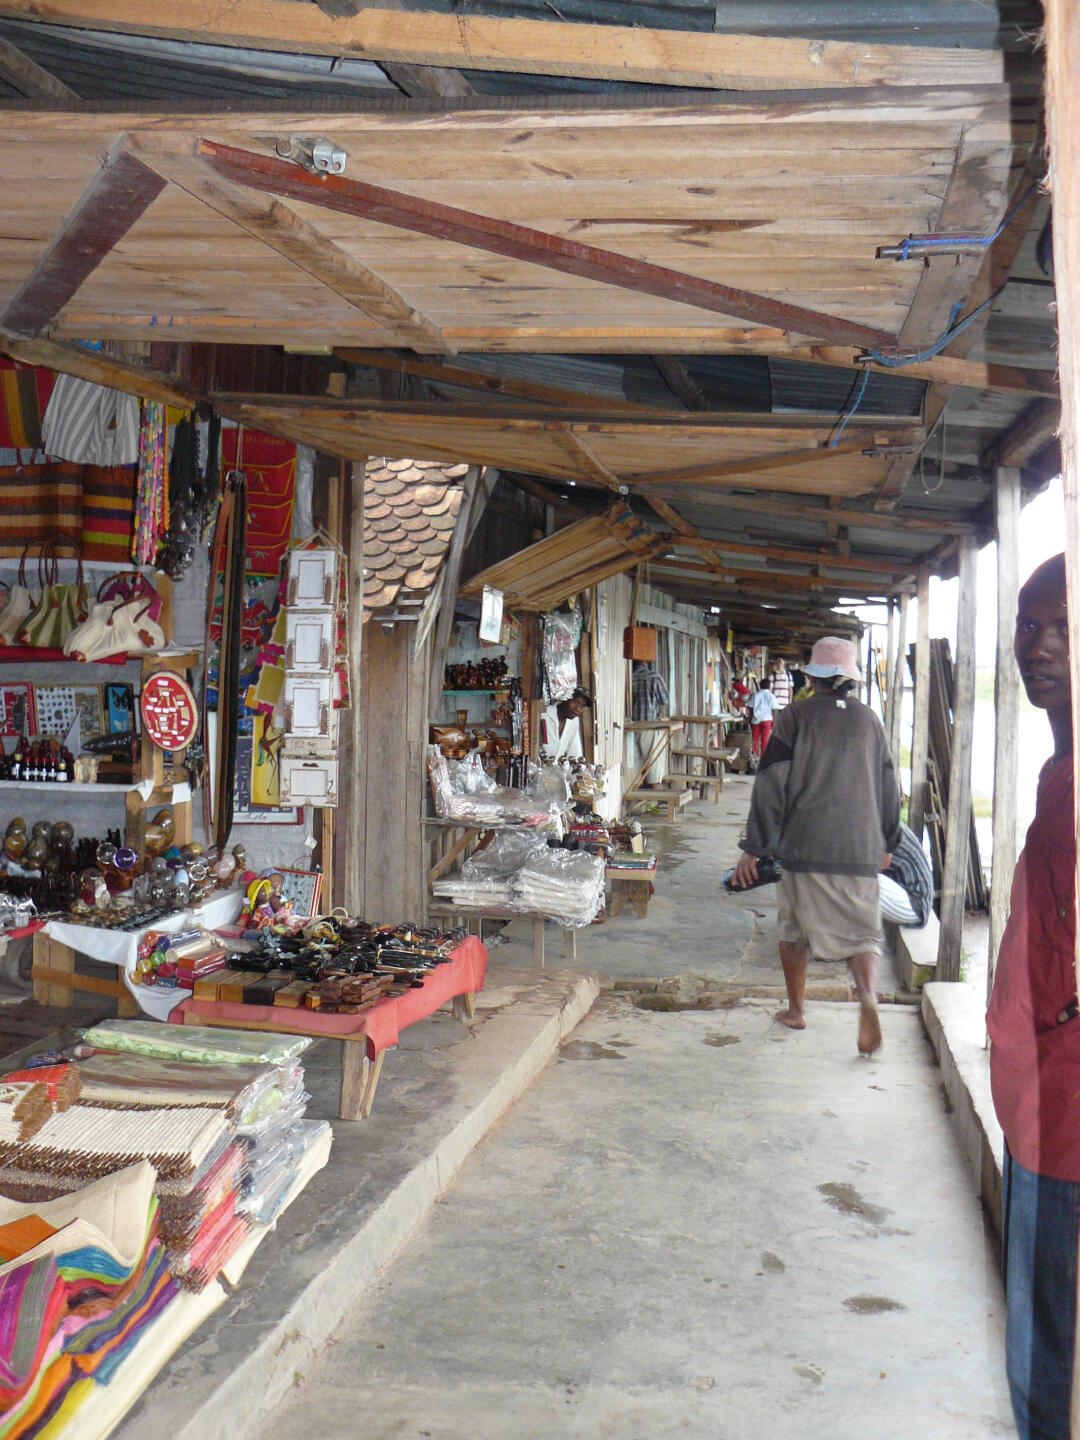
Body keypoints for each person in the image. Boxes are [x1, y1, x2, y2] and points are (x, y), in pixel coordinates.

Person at [985, 553, 1076, 1440]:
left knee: (1050, 1359)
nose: (1041, 646)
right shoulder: (1060, 774)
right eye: (1028, 624)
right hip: (1035, 1102)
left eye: (1064, 626)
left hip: (1065, 1113)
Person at [731, 635, 900, 1055]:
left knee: (794, 931)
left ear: (813, 677)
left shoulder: (794, 718)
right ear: (851, 681)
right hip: (861, 848)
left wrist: (755, 846)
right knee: (864, 936)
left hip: (804, 847)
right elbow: (888, 786)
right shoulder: (870, 721)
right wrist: (887, 840)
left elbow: (772, 784)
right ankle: (867, 997)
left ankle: (796, 1009)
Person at [540, 687, 590, 761]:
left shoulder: (574, 721)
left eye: (582, 706)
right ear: (565, 698)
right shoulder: (544, 714)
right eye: (575, 702)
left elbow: (575, 752)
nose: (578, 708)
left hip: (555, 770)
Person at [749, 680, 776, 762]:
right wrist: (773, 721)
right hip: (767, 720)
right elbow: (774, 710)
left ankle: (754, 759)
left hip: (756, 720)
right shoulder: (771, 696)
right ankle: (763, 760)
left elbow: (750, 708)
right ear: (769, 686)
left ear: (760, 686)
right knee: (765, 740)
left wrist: (750, 718)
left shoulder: (755, 696)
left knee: (754, 740)